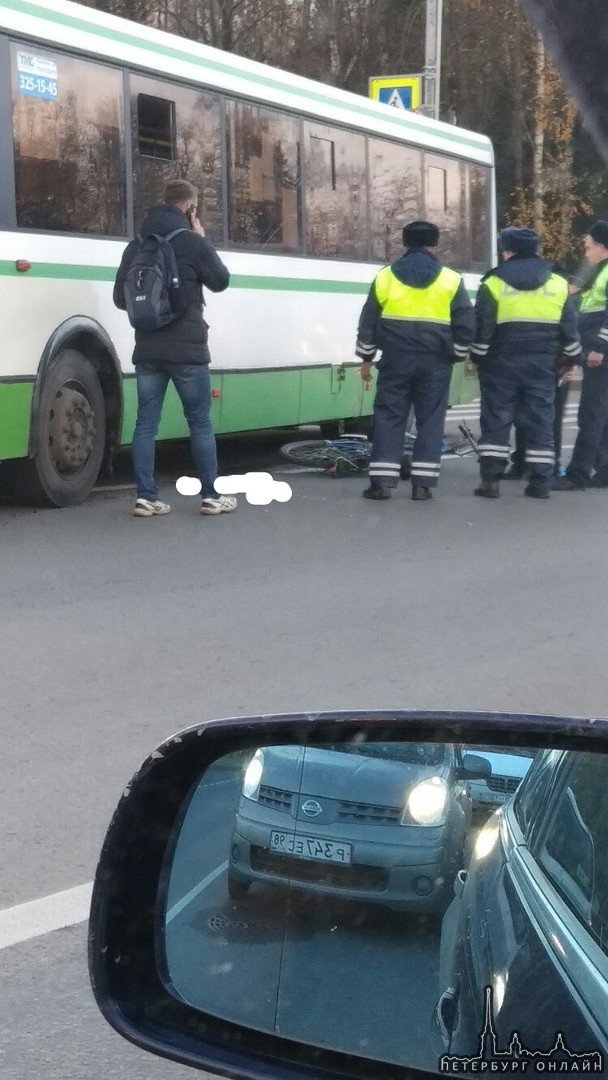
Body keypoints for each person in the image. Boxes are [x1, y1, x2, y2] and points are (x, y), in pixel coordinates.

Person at [113, 179, 236, 518]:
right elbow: (221, 280)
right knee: (198, 422)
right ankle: (211, 496)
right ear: (190, 208)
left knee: (144, 424)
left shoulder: (137, 245)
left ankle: (145, 496)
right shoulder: (192, 243)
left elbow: (119, 298)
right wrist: (201, 238)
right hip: (188, 352)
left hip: (148, 350)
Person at [355, 220, 474, 501]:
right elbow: (466, 324)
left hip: (396, 360)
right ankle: (423, 486)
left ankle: (382, 483)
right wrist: (455, 354)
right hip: (435, 362)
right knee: (430, 420)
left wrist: (366, 358)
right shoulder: (451, 279)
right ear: (434, 244)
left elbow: (368, 320)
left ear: (405, 243)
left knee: (389, 417)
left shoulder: (385, 277)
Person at [470, 226, 582, 499]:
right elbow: (569, 327)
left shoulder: (493, 283)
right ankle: (541, 482)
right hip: (542, 364)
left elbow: (483, 329)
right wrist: (572, 356)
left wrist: (477, 357)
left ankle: (491, 481)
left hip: (500, 363)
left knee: (496, 419)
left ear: (508, 251)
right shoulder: (556, 283)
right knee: (541, 419)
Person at [554, 221, 608, 490]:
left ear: (602, 247)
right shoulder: (602, 272)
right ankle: (605, 471)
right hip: (598, 351)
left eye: (588, 247)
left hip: (602, 354)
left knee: (591, 413)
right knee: (602, 414)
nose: (586, 253)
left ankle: (578, 473)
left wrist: (599, 346)